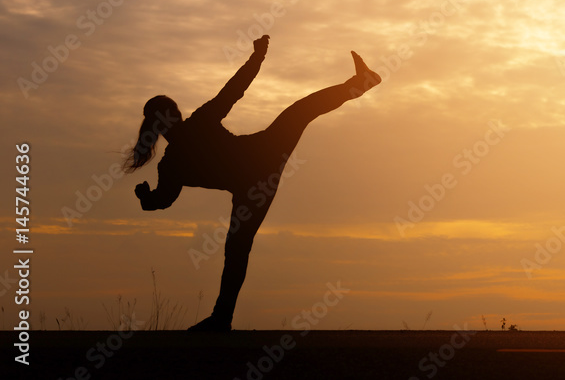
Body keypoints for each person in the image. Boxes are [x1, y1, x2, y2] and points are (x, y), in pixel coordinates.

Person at [128, 35, 381, 331]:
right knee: (237, 246)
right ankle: (221, 318)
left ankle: (222, 318)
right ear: (172, 117)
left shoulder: (174, 159)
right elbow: (233, 90)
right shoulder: (177, 155)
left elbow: (163, 199)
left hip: (258, 170)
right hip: (259, 172)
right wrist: (147, 198)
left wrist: (147, 199)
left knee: (237, 247)